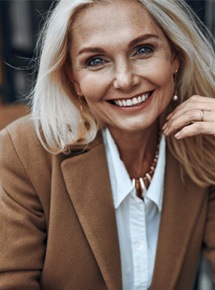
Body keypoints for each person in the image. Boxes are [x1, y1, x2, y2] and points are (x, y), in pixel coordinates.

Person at [0, 0, 214, 289]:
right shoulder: (22, 152)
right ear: (73, 78)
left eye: (143, 50)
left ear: (175, 56)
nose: (125, 80)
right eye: (96, 61)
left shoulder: (202, 143)